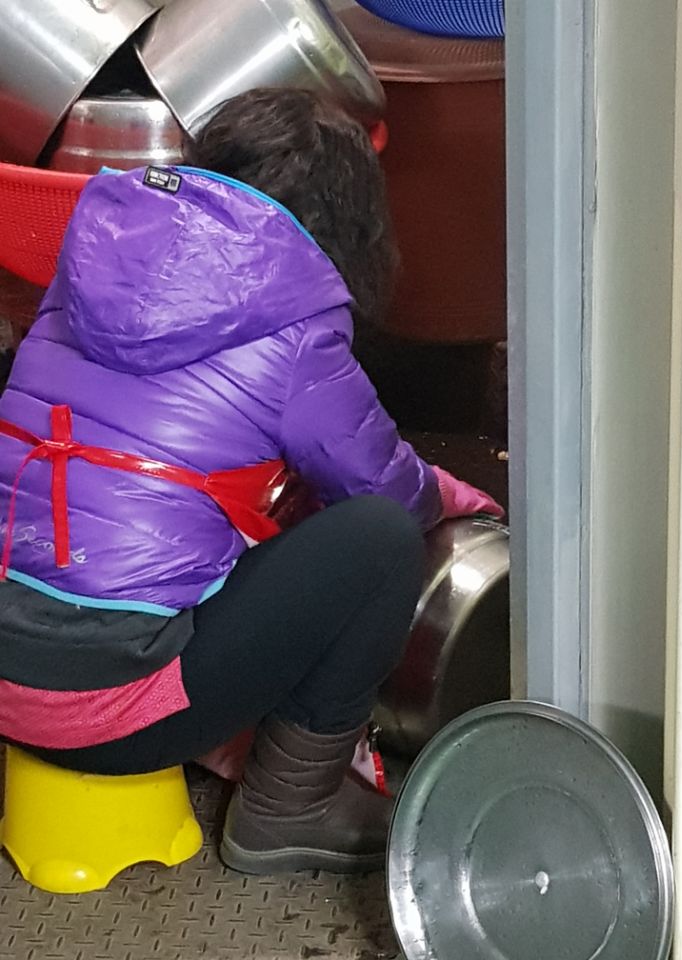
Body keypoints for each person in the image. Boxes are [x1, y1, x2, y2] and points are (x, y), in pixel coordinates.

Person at [0, 89, 503, 875]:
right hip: (107, 715)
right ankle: (289, 809)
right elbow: (388, 491)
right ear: (349, 219)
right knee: (376, 539)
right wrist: (453, 493)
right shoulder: (297, 326)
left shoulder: (87, 273)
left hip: (7, 674)